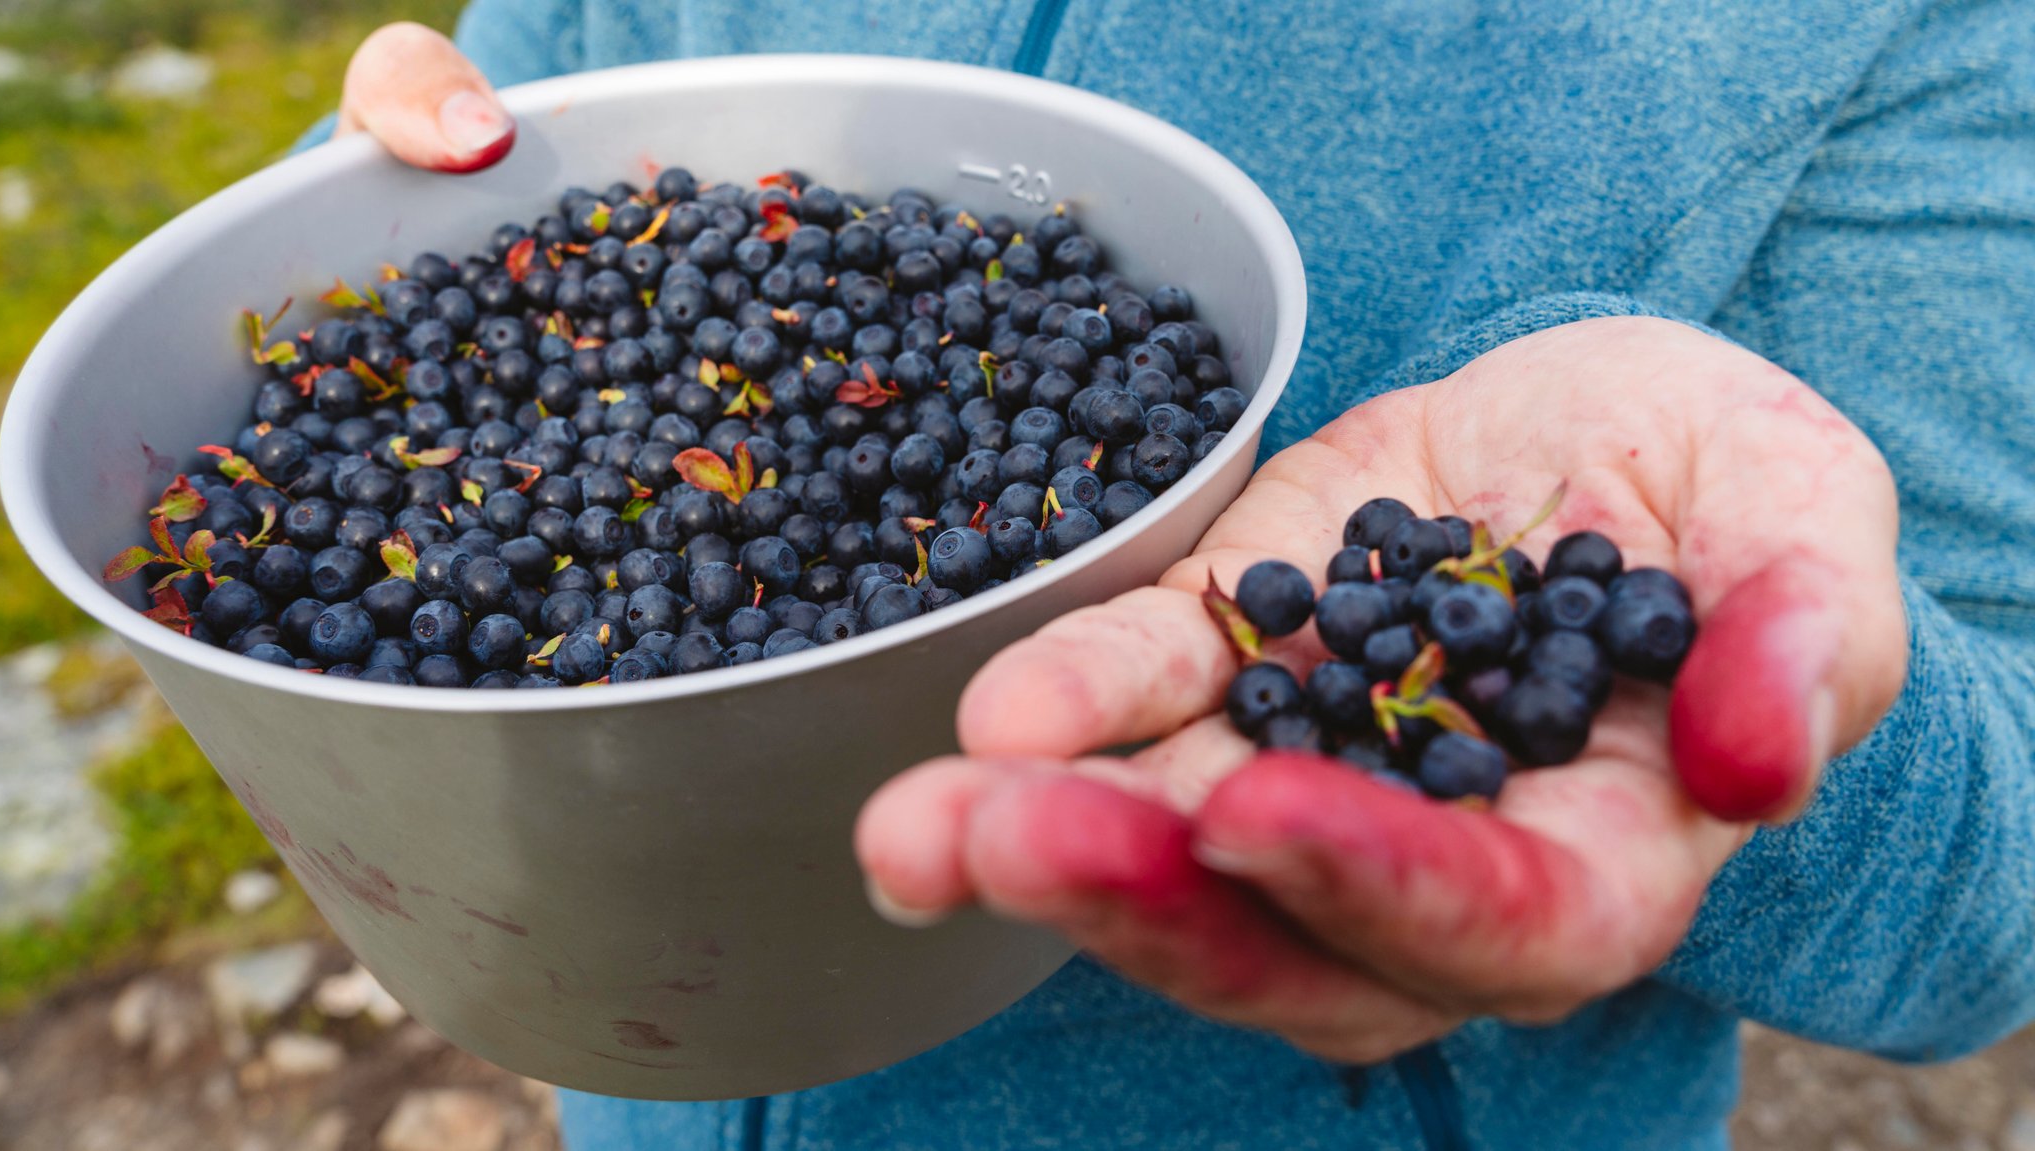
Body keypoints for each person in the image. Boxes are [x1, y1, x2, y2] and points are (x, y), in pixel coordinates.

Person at [311, 5, 2035, 1147]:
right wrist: (378, 222)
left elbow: (1991, 918)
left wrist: (1686, 676)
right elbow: (490, 216)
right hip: (670, 1066)